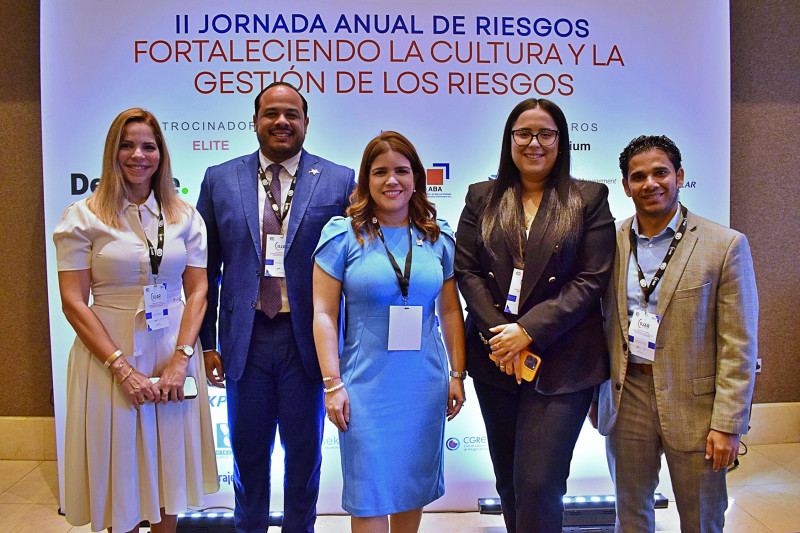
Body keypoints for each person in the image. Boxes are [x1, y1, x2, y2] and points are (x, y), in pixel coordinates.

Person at [196, 81, 356, 533]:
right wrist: (208, 343)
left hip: (308, 341)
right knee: (248, 458)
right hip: (244, 341)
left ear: (306, 122)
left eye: (292, 114)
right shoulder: (219, 178)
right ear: (255, 121)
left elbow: (356, 267)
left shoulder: (340, 180)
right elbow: (205, 271)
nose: (281, 122)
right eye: (271, 113)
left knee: (305, 459)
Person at [54, 108, 219, 533]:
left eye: (148, 145)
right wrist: (121, 368)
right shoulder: (83, 216)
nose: (138, 155)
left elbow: (198, 289)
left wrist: (182, 360)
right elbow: (73, 301)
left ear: (161, 154)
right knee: (120, 476)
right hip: (108, 356)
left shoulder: (184, 215)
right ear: (113, 151)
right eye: (127, 145)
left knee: (170, 474)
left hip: (172, 354)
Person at [454, 98, 615, 533]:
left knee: (540, 483)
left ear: (561, 142)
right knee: (508, 482)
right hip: (495, 358)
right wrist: (500, 336)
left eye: (546, 134)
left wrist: (527, 330)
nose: (534, 143)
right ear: (509, 140)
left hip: (564, 360)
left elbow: (591, 278)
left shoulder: (588, 198)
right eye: (523, 133)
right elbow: (466, 270)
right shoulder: (481, 197)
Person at [593, 135, 758, 531]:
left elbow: (739, 343)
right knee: (630, 514)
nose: (650, 183)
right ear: (626, 185)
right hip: (626, 397)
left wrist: (728, 424)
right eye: (638, 176)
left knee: (701, 518)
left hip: (698, 406)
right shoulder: (607, 243)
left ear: (679, 176)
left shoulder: (725, 245)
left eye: (660, 172)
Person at [312, 131, 466, 533]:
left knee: (409, 487)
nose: (391, 180)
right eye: (380, 172)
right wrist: (332, 384)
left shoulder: (437, 237)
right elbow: (324, 314)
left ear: (417, 177)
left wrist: (457, 374)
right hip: (364, 385)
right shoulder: (342, 235)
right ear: (366, 180)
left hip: (423, 381)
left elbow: (450, 310)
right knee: (368, 493)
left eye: (401, 170)